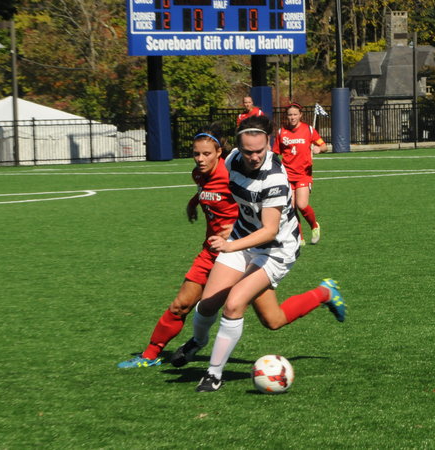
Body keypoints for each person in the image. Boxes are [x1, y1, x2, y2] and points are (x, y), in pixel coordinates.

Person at [168, 115, 345, 392]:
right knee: (214, 306)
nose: (253, 157)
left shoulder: (274, 179)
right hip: (243, 237)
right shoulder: (232, 160)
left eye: (260, 151)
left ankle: (213, 375)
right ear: (238, 147)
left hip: (275, 249)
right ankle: (198, 342)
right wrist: (208, 209)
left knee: (233, 304)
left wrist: (229, 245)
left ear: (268, 144)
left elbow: (269, 231)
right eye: (248, 151)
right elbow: (225, 192)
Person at [117, 124, 239, 369]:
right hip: (210, 252)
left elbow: (261, 207)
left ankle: (320, 293)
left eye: (206, 154)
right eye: (196, 154)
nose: (200, 159)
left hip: (240, 254)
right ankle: (150, 355)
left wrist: (235, 228)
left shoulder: (232, 175)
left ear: (219, 153)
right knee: (180, 305)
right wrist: (193, 203)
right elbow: (206, 191)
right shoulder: (198, 174)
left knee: (272, 318)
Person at [273, 103, 327, 245]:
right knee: (291, 207)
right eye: (290, 115)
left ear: (300, 115)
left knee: (302, 205)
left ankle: (314, 225)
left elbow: (324, 146)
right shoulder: (281, 132)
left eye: (295, 114)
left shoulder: (309, 130)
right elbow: (275, 153)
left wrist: (319, 149)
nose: (292, 117)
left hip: (303, 174)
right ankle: (299, 237)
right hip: (287, 175)